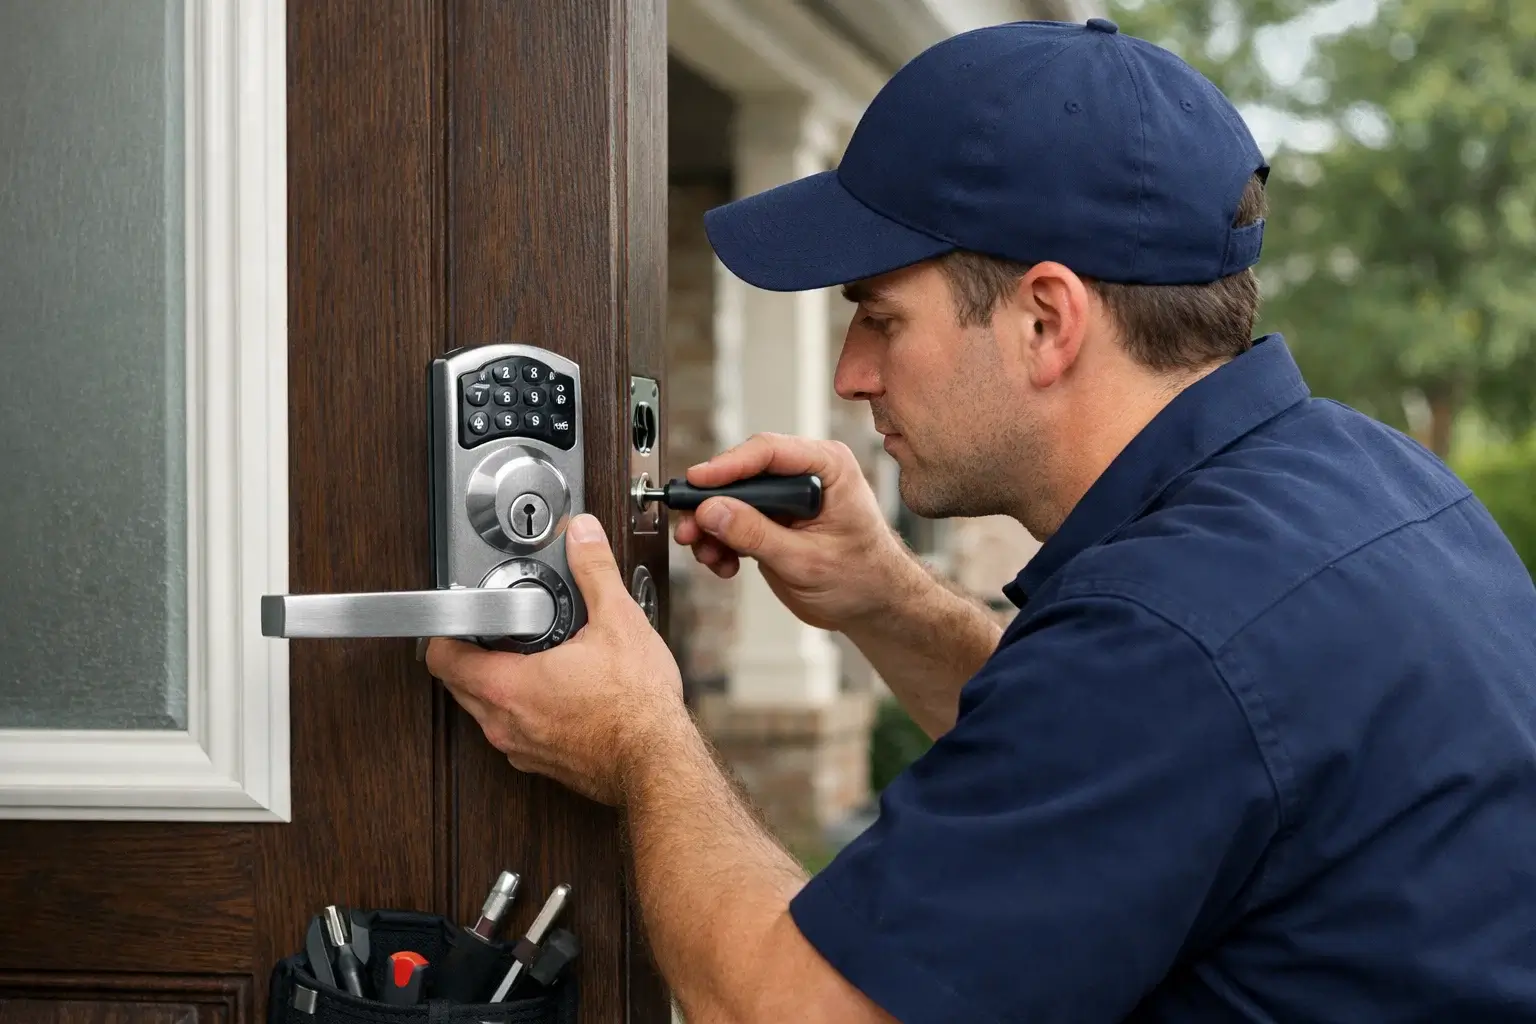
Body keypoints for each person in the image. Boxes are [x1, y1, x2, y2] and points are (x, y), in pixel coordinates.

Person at [426, 17, 1536, 1023]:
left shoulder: (1167, 638)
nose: (852, 375)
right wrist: (887, 598)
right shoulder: (1374, 484)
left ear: (1047, 318)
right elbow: (1115, 780)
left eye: (880, 317)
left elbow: (793, 1013)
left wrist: (641, 736)